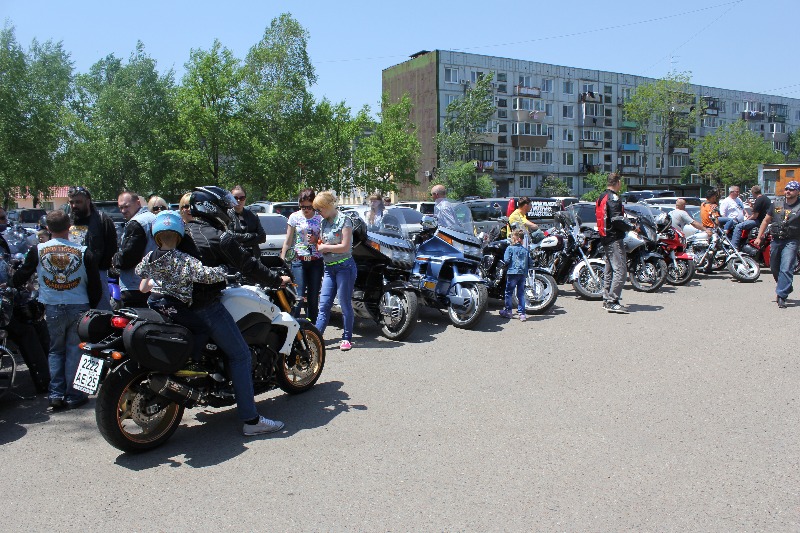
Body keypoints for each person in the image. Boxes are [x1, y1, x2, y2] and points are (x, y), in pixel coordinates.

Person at [178, 186, 290, 436]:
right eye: (225, 205)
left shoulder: (181, 231)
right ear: (212, 208)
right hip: (203, 305)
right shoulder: (220, 237)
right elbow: (248, 265)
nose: (229, 209)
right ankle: (252, 421)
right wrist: (275, 280)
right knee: (241, 355)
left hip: (171, 302)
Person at [12, 210, 101, 412]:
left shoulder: (38, 250)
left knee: (55, 350)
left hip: (52, 305)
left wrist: (13, 282)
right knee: (74, 350)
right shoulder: (83, 251)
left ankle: (55, 394)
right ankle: (73, 395)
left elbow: (21, 275)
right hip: (78, 304)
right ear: (69, 226)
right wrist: (91, 305)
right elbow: (95, 285)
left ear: (48, 228)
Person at [136, 211, 227, 369]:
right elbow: (204, 275)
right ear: (180, 235)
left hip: (154, 301)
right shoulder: (183, 259)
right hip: (174, 305)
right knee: (202, 329)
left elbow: (140, 271)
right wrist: (223, 271)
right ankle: (190, 362)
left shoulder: (150, 256)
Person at [0, 207, 50, 393]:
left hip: (7, 300)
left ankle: (47, 378)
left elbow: (9, 266)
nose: (4, 221)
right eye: (1, 218)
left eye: (4, 217)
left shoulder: (8, 240)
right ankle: (45, 380)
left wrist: (14, 279)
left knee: (35, 321)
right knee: (25, 331)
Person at [313, 191, 357, 351]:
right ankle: (315, 337)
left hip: (345, 268)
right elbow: (322, 242)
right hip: (329, 268)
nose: (318, 213)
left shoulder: (345, 220)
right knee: (324, 305)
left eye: (320, 209)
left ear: (328, 206)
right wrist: (318, 244)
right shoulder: (324, 222)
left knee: (345, 303)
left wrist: (325, 247)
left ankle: (347, 338)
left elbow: (345, 246)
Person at [67, 186, 117, 310]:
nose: (74, 206)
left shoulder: (102, 220)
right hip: (72, 275)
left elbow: (111, 247)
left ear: (88, 201)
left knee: (102, 312)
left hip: (97, 273)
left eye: (78, 202)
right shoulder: (68, 220)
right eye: (71, 202)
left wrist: (98, 266)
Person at [753, 180, 800, 309]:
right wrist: (759, 236)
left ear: (797, 192)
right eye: (786, 189)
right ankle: (785, 286)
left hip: (792, 240)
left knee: (786, 267)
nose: (788, 191)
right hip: (776, 239)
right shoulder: (777, 203)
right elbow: (766, 220)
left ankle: (781, 295)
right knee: (774, 267)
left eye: (791, 189)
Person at [280, 188, 324, 323]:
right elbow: (288, 241)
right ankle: (295, 327)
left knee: (313, 297)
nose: (306, 210)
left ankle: (312, 328)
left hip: (316, 261)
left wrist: (316, 240)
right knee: (298, 296)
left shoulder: (320, 218)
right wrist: (282, 260)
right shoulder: (294, 217)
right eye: (303, 206)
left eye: (309, 207)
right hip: (299, 260)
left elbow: (326, 240)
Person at [596, 172, 632, 314]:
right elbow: (617, 219)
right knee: (621, 270)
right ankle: (612, 301)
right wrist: (631, 227)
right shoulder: (614, 198)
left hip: (605, 237)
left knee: (610, 269)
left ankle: (607, 299)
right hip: (614, 237)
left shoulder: (602, 196)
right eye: (620, 182)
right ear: (617, 183)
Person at [113, 191, 157, 307]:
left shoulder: (136, 223)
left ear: (138, 203)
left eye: (126, 206)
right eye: (120, 207)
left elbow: (128, 257)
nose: (123, 211)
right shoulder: (153, 218)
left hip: (135, 287)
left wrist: (114, 260)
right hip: (154, 284)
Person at [227, 185, 266, 259]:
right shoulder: (226, 215)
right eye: (235, 198)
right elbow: (230, 237)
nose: (238, 200)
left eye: (242, 198)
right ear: (231, 199)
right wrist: (252, 235)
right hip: (234, 257)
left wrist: (242, 243)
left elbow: (262, 237)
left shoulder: (253, 215)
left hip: (253, 256)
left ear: (245, 199)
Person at [498, 229, 529, 322]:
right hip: (523, 273)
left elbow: (506, 260)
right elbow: (530, 262)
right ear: (522, 240)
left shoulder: (510, 248)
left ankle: (508, 311)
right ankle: (522, 314)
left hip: (512, 273)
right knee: (521, 293)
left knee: (508, 292)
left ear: (515, 239)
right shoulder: (525, 250)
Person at [731, 185, 771, 250]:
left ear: (753, 192)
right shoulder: (766, 199)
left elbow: (755, 216)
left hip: (759, 221)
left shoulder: (758, 200)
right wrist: (751, 206)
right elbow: (759, 211)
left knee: (739, 226)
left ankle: (733, 247)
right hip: (765, 220)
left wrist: (747, 219)